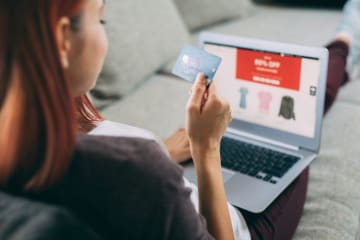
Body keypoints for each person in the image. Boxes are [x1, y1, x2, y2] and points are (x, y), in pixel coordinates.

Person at [0, 0, 357, 240]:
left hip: (177, 175)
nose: (105, 35)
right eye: (101, 18)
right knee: (300, 125)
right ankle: (345, 40)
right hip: (229, 221)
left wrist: (163, 152)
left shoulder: (30, 130)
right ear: (63, 39)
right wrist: (207, 148)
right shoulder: (139, 171)